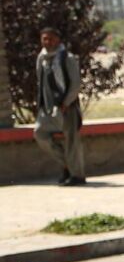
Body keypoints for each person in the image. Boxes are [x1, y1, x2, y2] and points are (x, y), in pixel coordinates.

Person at [33, 27, 87, 186]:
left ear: (58, 40)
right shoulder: (42, 58)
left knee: (71, 141)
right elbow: (40, 82)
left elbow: (75, 84)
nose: (47, 42)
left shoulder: (67, 58)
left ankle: (77, 175)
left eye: (51, 39)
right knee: (40, 134)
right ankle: (66, 165)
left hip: (67, 107)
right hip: (47, 108)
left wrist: (66, 103)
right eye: (44, 39)